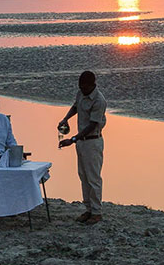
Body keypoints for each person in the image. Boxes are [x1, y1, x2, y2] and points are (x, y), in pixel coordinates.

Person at [57, 70, 107, 224]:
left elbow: (93, 125)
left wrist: (72, 139)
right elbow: (75, 107)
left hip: (92, 141)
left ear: (92, 85)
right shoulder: (81, 93)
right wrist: (65, 119)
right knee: (83, 176)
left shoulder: (99, 100)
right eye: (81, 88)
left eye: (85, 88)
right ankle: (88, 209)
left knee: (93, 178)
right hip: (81, 142)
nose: (82, 90)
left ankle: (97, 212)